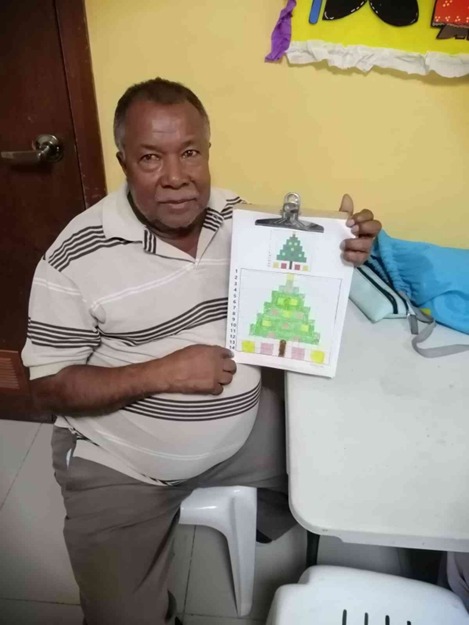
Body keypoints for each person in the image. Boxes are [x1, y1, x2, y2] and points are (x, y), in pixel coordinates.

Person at [22, 77, 382, 625]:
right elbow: (46, 387)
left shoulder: (241, 220)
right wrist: (162, 373)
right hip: (122, 464)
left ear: (207, 152)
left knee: (341, 463)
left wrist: (342, 249)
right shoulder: (74, 256)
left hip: (242, 434)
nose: (175, 177)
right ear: (123, 163)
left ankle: (257, 519)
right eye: (150, 157)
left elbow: (295, 276)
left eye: (189, 152)